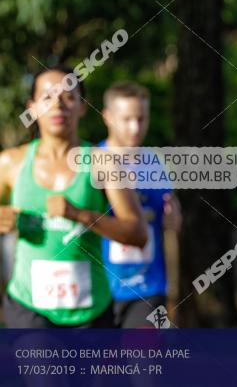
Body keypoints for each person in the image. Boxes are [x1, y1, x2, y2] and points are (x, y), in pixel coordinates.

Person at [0, 66, 148, 328]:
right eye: (48, 97)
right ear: (32, 107)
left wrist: (80, 215)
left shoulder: (103, 163)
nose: (58, 105)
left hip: (91, 311)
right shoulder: (11, 163)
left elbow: (138, 234)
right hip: (30, 308)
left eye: (69, 97)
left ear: (82, 106)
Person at [100, 81, 181, 328]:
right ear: (108, 117)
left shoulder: (156, 166)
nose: (135, 128)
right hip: (100, 292)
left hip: (149, 290)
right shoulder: (92, 162)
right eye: (126, 119)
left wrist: (175, 220)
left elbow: (171, 224)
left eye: (141, 119)